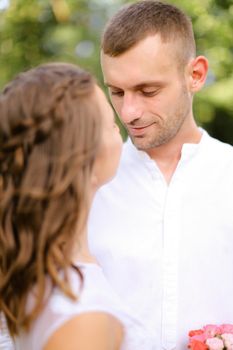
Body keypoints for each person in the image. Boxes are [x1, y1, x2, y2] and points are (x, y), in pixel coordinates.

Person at [88, 1, 233, 349]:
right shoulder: (86, 188)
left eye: (148, 91)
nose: (129, 112)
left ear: (195, 75)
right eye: (117, 92)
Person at [0, 62, 157, 350]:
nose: (123, 121)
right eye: (110, 123)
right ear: (85, 156)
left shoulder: (37, 268)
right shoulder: (82, 317)